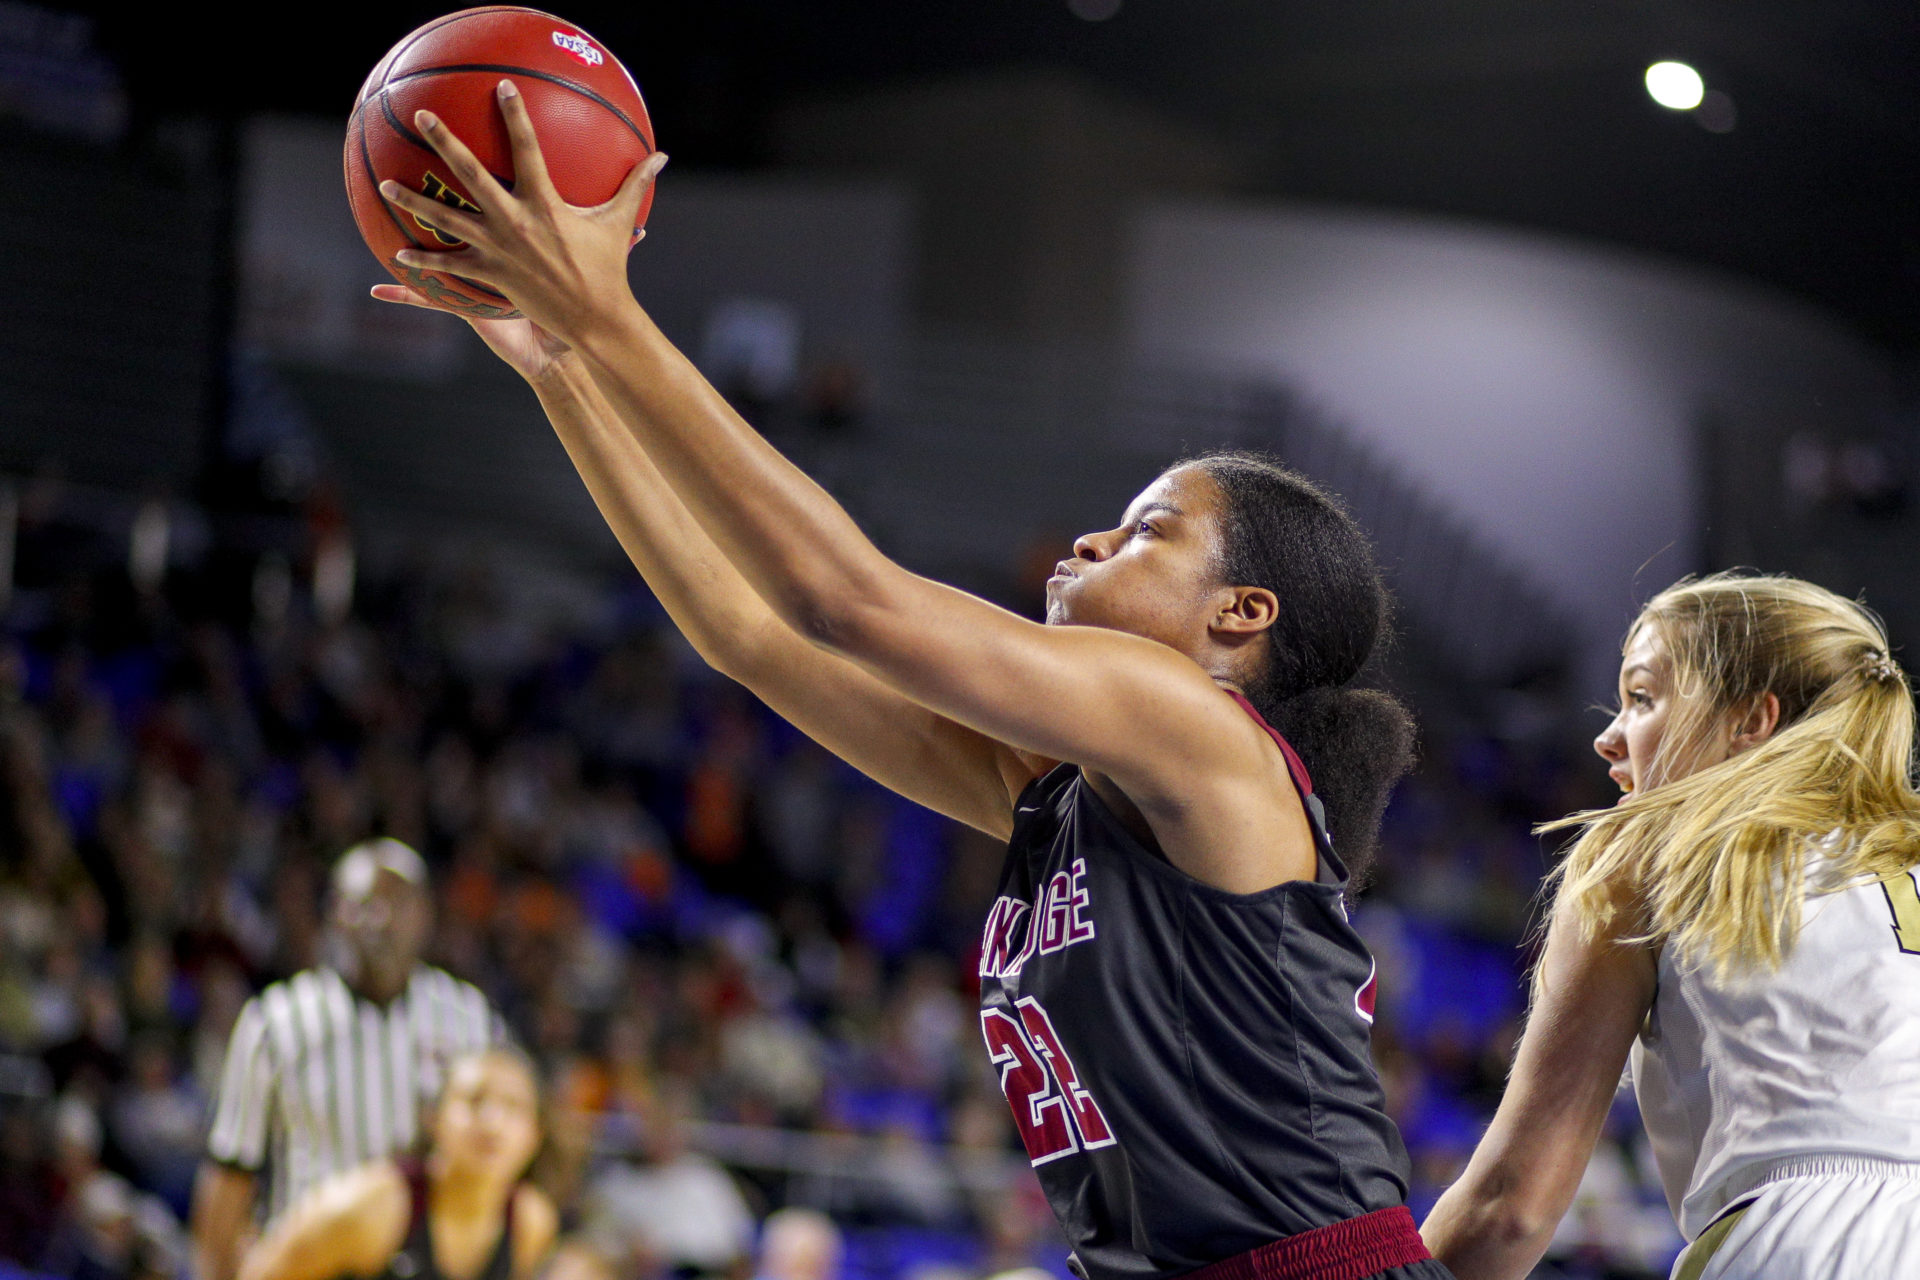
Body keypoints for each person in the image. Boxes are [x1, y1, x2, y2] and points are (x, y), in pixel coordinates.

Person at [368, 85, 1443, 1280]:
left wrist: (609, 315)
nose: (1085, 544)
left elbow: (848, 599)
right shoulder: (1078, 807)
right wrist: (563, 368)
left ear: (1240, 618)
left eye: (1143, 533)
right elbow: (754, 637)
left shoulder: (1199, 727)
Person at [1422, 573, 1920, 1279]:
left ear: (1751, 721)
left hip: (1799, 1245)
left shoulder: (1652, 854)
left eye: (1642, 698)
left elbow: (1512, 1207)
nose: (1607, 737)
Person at [192, 840, 502, 1280]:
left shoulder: (470, 1019)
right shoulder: (276, 1022)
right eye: (364, 904)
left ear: (426, 916)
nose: (382, 920)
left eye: (399, 903)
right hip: (308, 1264)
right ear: (335, 914)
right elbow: (230, 1172)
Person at [235, 1047, 557, 1280]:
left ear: (535, 1136)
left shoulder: (532, 1223)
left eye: (514, 1107)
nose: (492, 1123)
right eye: (474, 1100)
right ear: (434, 1118)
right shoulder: (369, 1207)